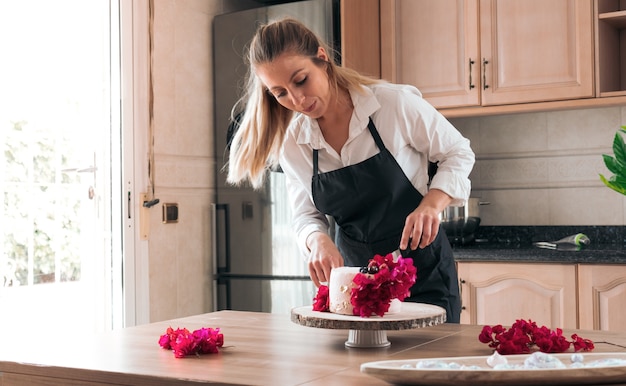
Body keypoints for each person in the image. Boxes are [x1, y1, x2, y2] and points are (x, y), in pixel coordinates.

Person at [227, 18, 475, 323]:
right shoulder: (295, 144)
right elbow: (305, 215)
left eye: (301, 80)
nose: (297, 100)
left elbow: (457, 152)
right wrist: (317, 240)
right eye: (280, 93)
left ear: (322, 57)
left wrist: (431, 205)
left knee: (430, 366)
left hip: (424, 271)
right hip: (355, 283)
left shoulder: (392, 105)